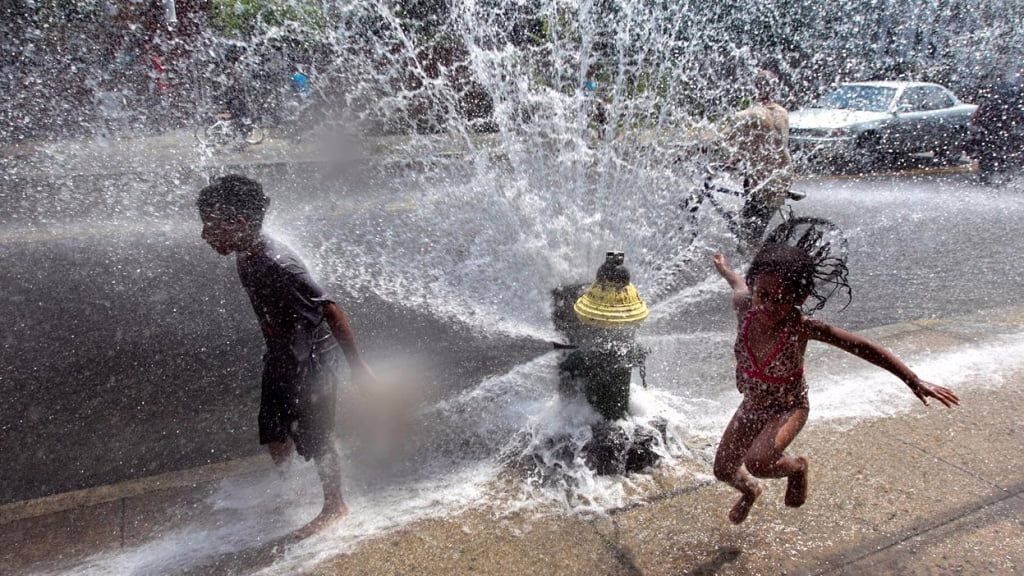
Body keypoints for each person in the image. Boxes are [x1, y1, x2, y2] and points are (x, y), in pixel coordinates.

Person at [710, 220, 959, 525]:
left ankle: (798, 468)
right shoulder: (745, 306)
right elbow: (738, 283)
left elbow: (861, 346)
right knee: (723, 469)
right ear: (755, 288)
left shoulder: (801, 327)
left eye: (781, 298)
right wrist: (725, 269)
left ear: (798, 299)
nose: (769, 306)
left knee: (759, 461)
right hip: (753, 404)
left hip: (788, 407)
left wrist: (913, 379)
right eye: (763, 295)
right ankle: (750, 493)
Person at [197, 174, 376, 539]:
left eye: (210, 226)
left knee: (318, 436)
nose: (204, 235)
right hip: (281, 355)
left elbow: (332, 310)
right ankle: (291, 488)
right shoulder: (246, 254)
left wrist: (359, 368)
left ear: (239, 224)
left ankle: (334, 505)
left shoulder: (279, 264)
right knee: (274, 430)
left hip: (313, 360)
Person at [724, 70, 794, 247]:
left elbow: (722, 142)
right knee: (753, 224)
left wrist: (692, 153)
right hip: (782, 175)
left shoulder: (746, 115)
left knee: (749, 236)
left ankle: (753, 268)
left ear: (755, 86)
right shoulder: (782, 112)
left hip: (762, 181)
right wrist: (735, 159)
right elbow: (764, 141)